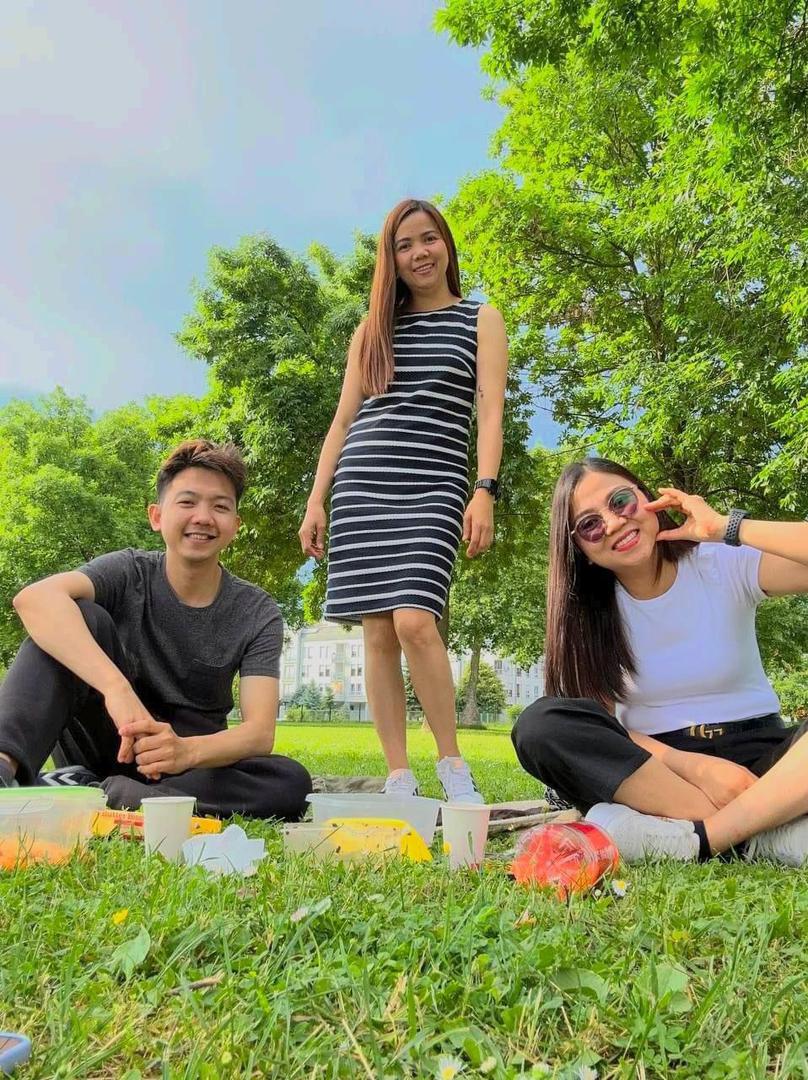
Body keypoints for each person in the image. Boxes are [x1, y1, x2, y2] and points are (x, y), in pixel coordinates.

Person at [299, 198, 508, 802]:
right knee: (377, 634)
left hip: (435, 486)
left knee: (416, 619)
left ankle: (452, 766)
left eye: (428, 239)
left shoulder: (480, 319)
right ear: (390, 260)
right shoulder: (372, 331)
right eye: (404, 245)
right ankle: (398, 776)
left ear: (446, 244)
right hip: (363, 485)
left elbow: (489, 413)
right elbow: (343, 421)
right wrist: (316, 500)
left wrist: (484, 489)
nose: (419, 253)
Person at [513, 457, 808, 864]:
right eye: (589, 524)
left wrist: (725, 527)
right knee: (540, 725)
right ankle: (763, 831)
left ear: (648, 498)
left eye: (621, 501)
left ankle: (700, 838)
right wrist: (696, 767)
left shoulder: (721, 562)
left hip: (770, 760)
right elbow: (600, 726)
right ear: (580, 549)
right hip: (661, 777)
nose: (613, 524)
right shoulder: (587, 617)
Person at [0, 439, 312, 820]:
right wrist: (117, 689)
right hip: (111, 739)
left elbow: (259, 733)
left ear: (235, 524)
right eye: (187, 502)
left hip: (190, 764)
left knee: (291, 783)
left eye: (220, 506)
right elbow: (34, 599)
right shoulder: (128, 572)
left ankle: (102, 793)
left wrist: (185, 751)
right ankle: (5, 770)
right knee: (77, 615)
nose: (203, 517)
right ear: (157, 516)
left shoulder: (257, 611)